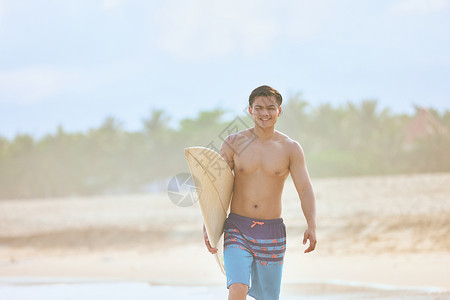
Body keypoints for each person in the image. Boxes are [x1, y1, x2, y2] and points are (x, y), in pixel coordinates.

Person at [203, 85, 317, 300]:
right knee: (237, 288)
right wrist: (208, 223)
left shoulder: (290, 148)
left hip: (271, 232)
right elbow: (218, 188)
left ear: (279, 111)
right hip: (238, 227)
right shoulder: (233, 143)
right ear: (250, 111)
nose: (265, 113)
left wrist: (311, 225)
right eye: (259, 108)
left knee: (268, 297)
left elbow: (305, 188)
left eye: (271, 108)